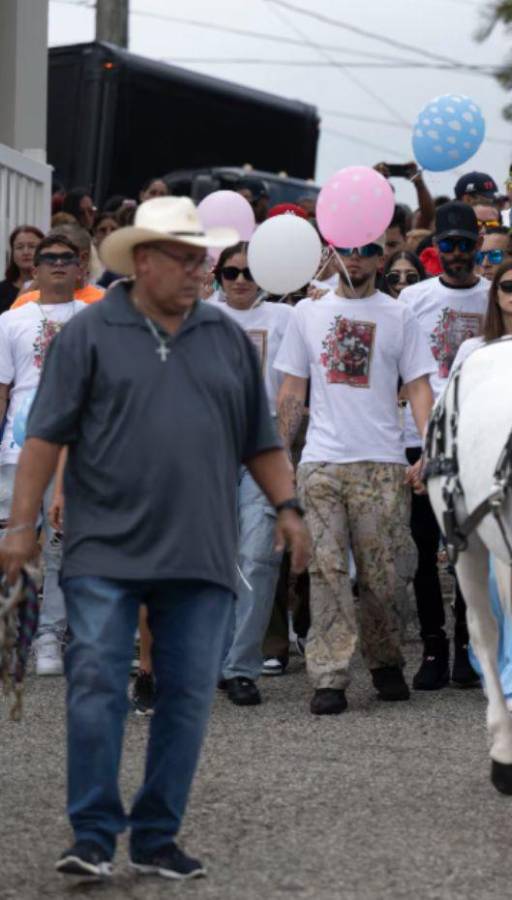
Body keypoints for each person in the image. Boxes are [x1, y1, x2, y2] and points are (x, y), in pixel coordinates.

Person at [0, 196, 311, 881]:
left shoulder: (225, 338)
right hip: (104, 549)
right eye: (184, 255)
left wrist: (287, 506)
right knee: (96, 684)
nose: (200, 269)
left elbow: (260, 439)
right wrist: (20, 528)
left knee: (188, 695)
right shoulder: (88, 333)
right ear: (142, 261)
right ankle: (92, 833)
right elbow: (44, 437)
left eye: (202, 256)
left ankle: (156, 835)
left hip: (200, 552)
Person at [401, 203, 512, 690]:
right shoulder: (423, 309)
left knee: (490, 555)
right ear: (435, 249)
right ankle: (435, 648)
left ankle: (474, 649)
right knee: (427, 552)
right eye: (449, 244)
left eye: (467, 244)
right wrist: (424, 454)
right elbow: (436, 396)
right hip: (443, 448)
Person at [274, 234, 436, 716]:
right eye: (347, 250)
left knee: (383, 575)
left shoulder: (400, 313)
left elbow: (420, 385)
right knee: (325, 570)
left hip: (382, 461)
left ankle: (385, 659)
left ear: (380, 256)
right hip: (322, 460)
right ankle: (329, 674)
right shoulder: (307, 313)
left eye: (366, 250)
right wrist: (283, 449)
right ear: (335, 255)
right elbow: (291, 387)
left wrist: (430, 445)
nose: (356, 259)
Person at [453, 259, 512, 711]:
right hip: (481, 471)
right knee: (484, 579)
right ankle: (487, 657)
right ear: (495, 295)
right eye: (507, 286)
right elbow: (454, 411)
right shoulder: (473, 350)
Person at [0, 234, 90, 676]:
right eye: (47, 258)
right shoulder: (9, 321)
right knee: (10, 542)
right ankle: (9, 631)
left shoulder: (96, 320)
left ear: (81, 267)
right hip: (19, 449)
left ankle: (50, 634)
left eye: (65, 258)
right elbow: (0, 391)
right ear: (32, 269)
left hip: (74, 453)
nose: (57, 264)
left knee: (60, 543)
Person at [210, 242, 295, 706]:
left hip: (262, 452)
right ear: (218, 275)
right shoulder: (198, 316)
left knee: (259, 558)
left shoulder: (286, 318)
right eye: (231, 272)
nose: (241, 279)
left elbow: (291, 389)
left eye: (250, 271)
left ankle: (241, 668)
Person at [11, 224, 105, 309]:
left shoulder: (103, 303)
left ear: (83, 259)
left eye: (65, 256)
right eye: (49, 256)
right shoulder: (25, 302)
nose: (57, 263)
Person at [1, 226, 42, 313]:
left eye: (32, 246)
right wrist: (21, 300)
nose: (26, 252)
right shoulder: (2, 290)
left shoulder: (53, 287)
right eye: (19, 247)